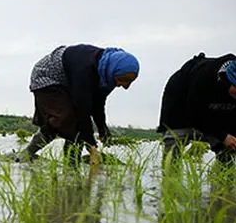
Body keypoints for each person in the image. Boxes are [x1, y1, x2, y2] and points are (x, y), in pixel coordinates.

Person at [10, 44, 140, 165]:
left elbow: (98, 106)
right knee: (65, 119)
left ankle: (72, 164)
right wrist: (92, 148)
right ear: (113, 70)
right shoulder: (86, 69)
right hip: (47, 77)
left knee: (76, 124)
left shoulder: (107, 77)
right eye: (123, 80)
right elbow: (83, 111)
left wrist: (103, 132)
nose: (125, 86)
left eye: (130, 82)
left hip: (69, 82)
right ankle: (28, 154)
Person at [157, 52, 236, 163]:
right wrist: (223, 136)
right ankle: (169, 178)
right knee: (174, 144)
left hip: (216, 112)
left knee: (229, 149)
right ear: (228, 80)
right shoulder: (205, 77)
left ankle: (223, 179)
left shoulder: (231, 94)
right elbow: (197, 114)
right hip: (181, 102)